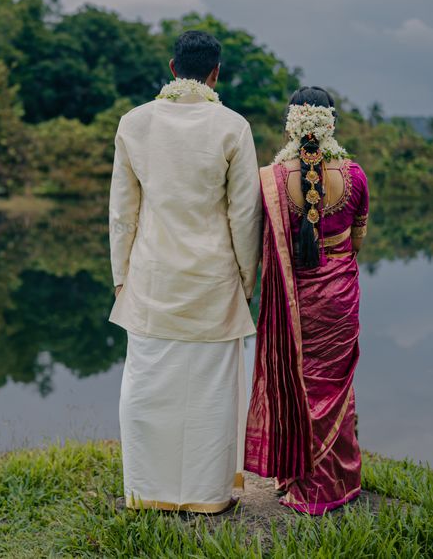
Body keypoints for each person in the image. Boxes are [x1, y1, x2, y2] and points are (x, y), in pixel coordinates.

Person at [108, 30, 263, 513]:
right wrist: (246, 280)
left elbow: (122, 214)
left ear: (173, 68)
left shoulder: (134, 123)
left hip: (152, 278)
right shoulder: (232, 127)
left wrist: (121, 277)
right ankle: (207, 496)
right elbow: (245, 215)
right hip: (213, 280)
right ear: (216, 73)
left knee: (147, 384)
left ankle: (145, 491)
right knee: (212, 390)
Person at [244, 86, 369, 515]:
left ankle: (297, 479)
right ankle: (339, 482)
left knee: (299, 383)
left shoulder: (272, 180)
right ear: (331, 123)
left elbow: (257, 237)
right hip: (339, 296)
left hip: (294, 297)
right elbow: (357, 241)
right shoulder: (355, 176)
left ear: (289, 125)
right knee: (334, 386)